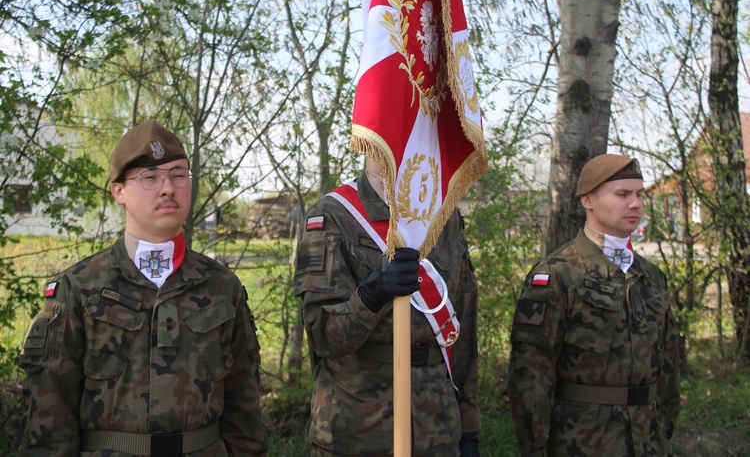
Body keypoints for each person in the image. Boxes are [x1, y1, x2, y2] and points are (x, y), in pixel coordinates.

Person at [18, 120, 268, 456]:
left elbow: (245, 407)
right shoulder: (78, 288)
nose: (168, 188)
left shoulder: (222, 287)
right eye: (150, 177)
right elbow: (48, 418)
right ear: (118, 192)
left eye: (179, 174)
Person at [293, 157, 481, 456]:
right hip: (359, 428)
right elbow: (322, 335)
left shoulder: (446, 216)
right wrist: (370, 295)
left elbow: (464, 329)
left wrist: (469, 426)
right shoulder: (333, 215)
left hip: (439, 427)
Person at [508, 154, 681, 456]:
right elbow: (532, 374)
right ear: (587, 199)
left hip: (649, 438)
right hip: (584, 439)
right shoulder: (558, 274)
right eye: (622, 194)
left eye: (640, 195)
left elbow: (669, 365)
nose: (636, 204)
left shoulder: (650, 275)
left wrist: (664, 429)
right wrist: (536, 447)